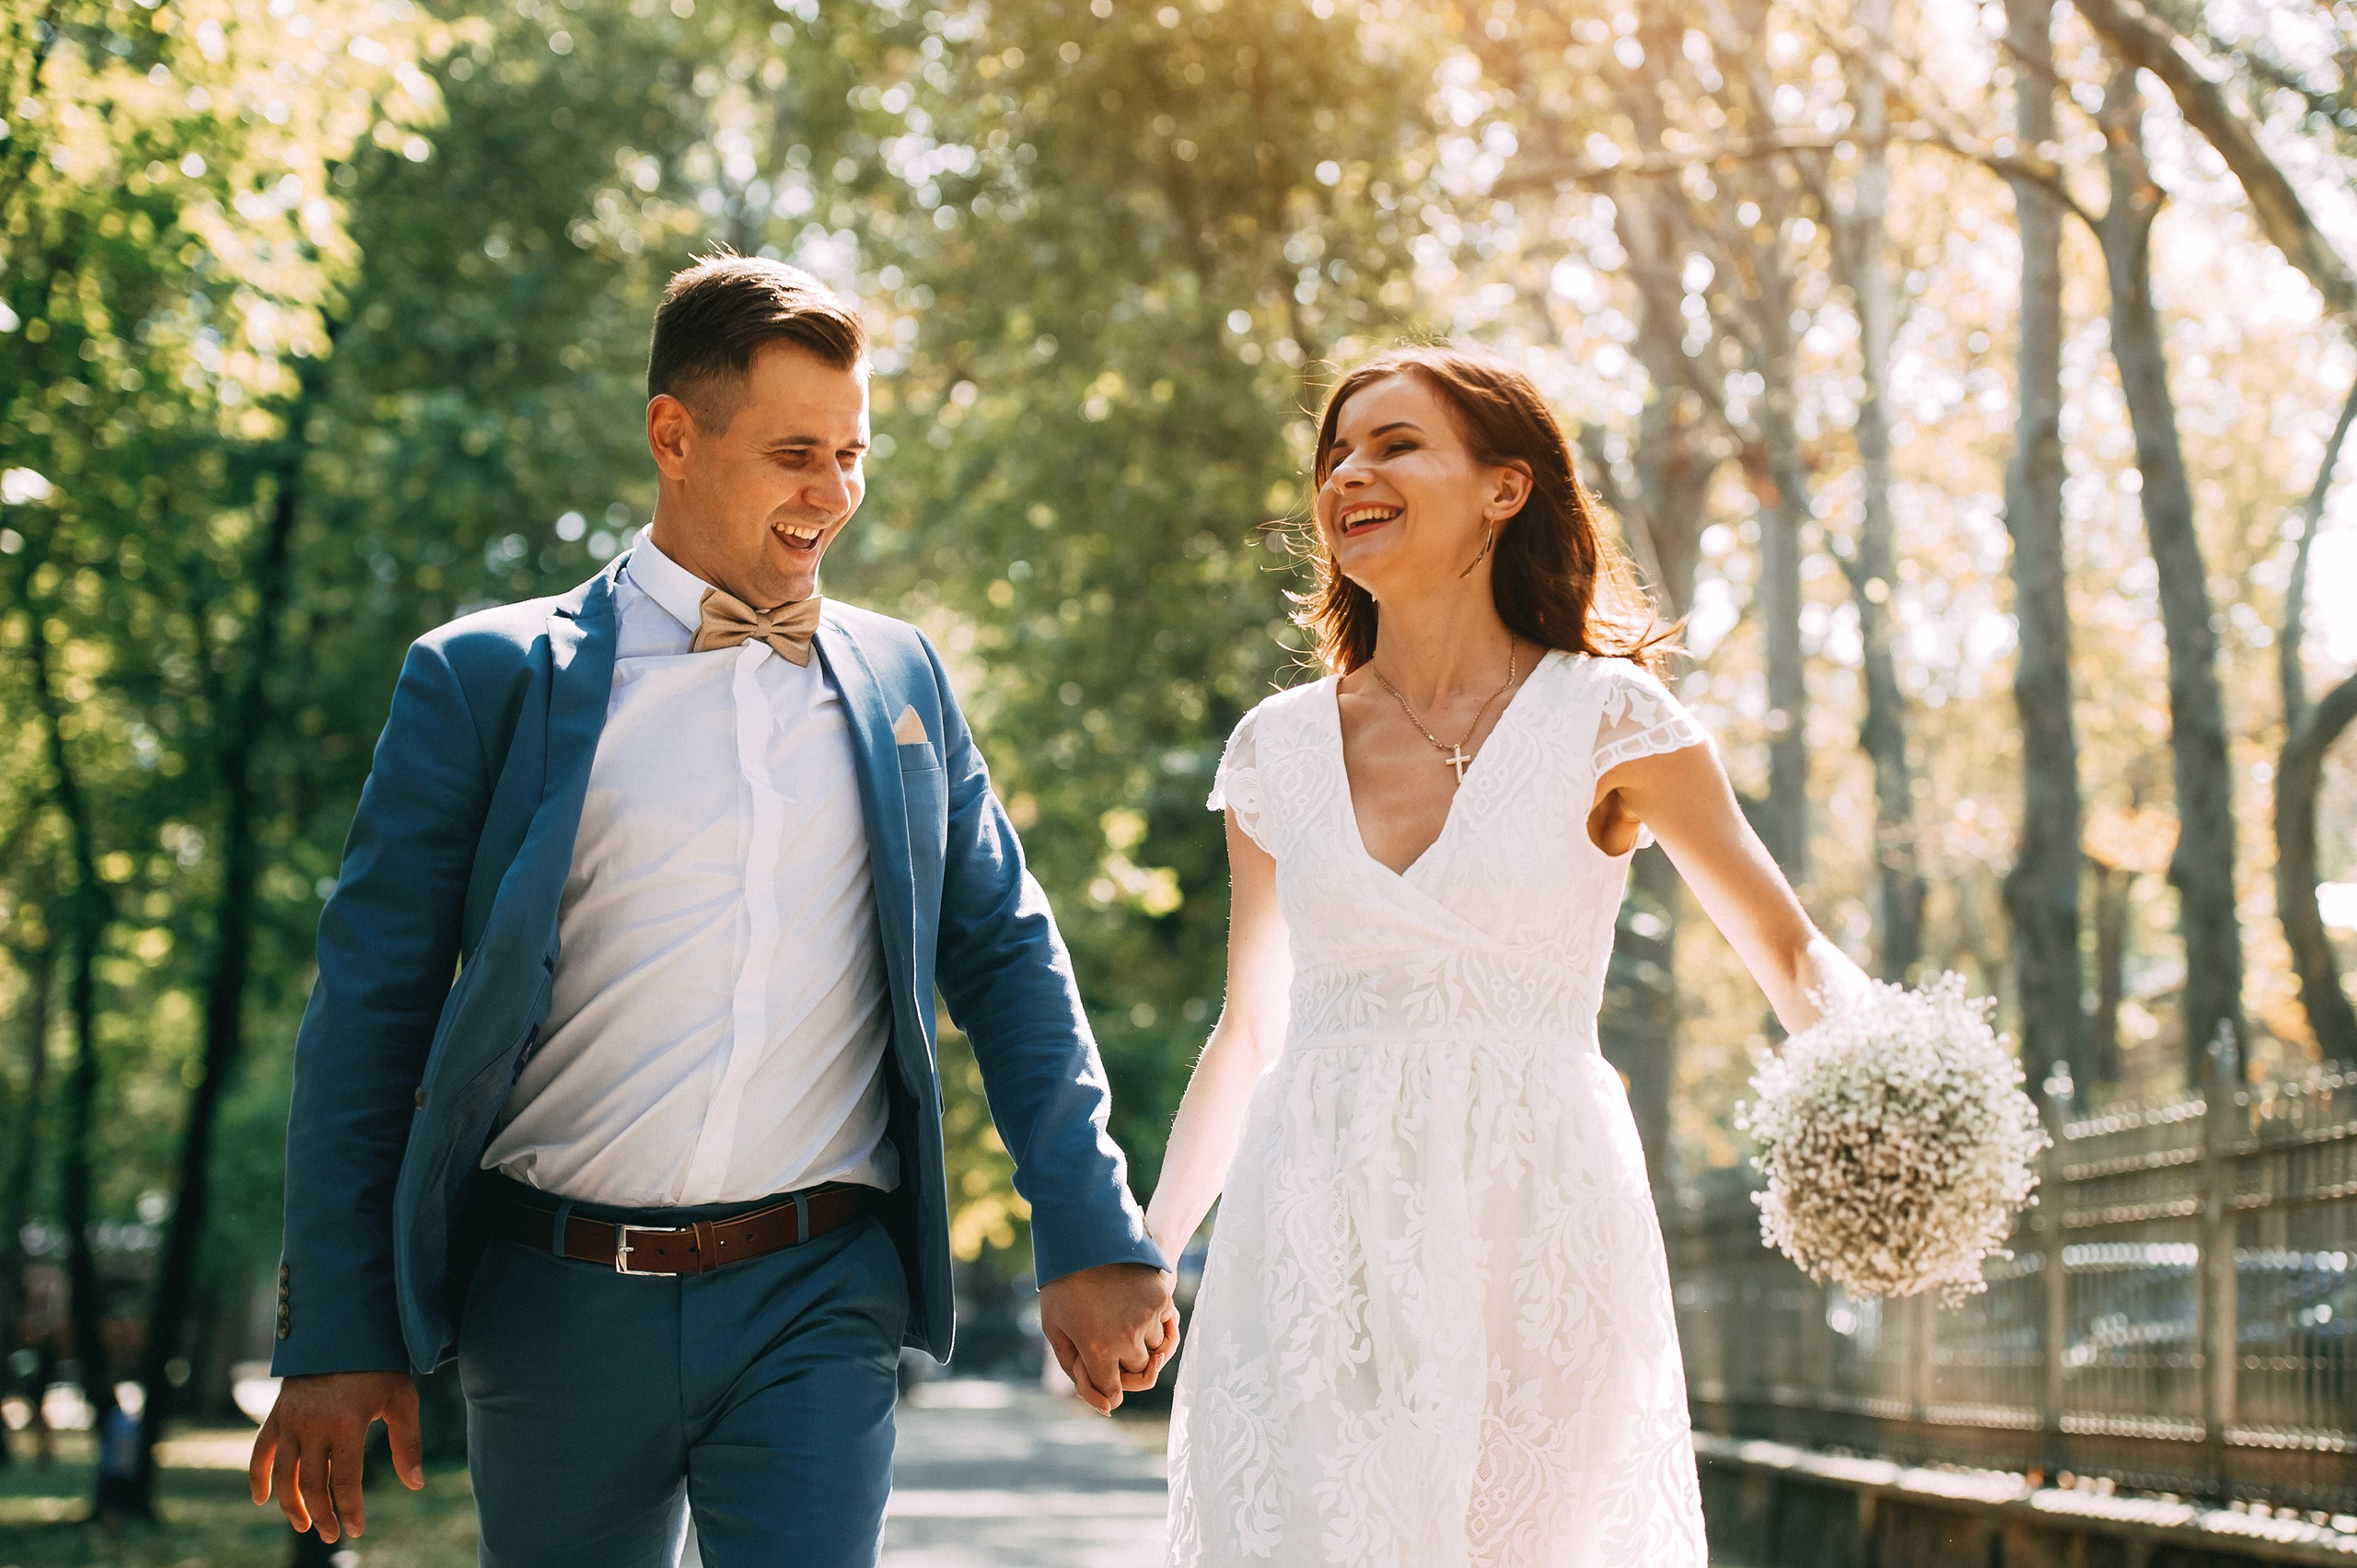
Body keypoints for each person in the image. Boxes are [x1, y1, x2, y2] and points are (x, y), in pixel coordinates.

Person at [248, 254, 1177, 1567]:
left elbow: (1007, 952)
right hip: (553, 1299)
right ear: (672, 436)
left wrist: (1089, 1224)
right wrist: (341, 1332)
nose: (834, 494)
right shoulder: (484, 680)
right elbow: (368, 1020)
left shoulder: (901, 677)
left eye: (854, 454)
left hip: (818, 1290)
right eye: (797, 452)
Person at [1147, 344, 1868, 1567]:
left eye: (1395, 444)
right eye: (1338, 454)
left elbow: (1790, 953)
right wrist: (1149, 1250)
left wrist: (1890, 1081)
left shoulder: (1613, 718)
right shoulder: (1276, 751)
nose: (1350, 474)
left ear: (1506, 487)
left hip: (1538, 1225)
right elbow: (1252, 1030)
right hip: (1314, 1234)